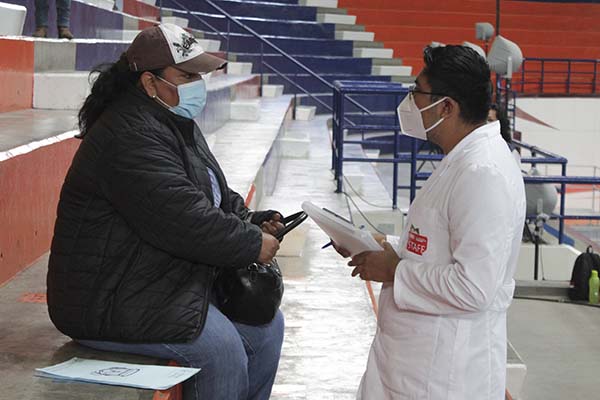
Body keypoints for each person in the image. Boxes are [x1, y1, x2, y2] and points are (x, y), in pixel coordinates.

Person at [46, 23, 285, 400]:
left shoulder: (172, 120)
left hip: (156, 279)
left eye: (199, 76)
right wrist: (251, 241)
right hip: (111, 296)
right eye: (186, 75)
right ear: (149, 82)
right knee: (219, 351)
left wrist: (250, 218)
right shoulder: (128, 135)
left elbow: (211, 190)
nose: (197, 84)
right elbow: (184, 219)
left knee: (266, 328)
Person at [335, 45, 526, 399]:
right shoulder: (463, 159)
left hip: (443, 371)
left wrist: (395, 270)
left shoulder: (482, 171)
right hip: (414, 359)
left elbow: (474, 287)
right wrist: (383, 245)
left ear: (446, 106)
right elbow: (438, 248)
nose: (410, 103)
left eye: (417, 93)